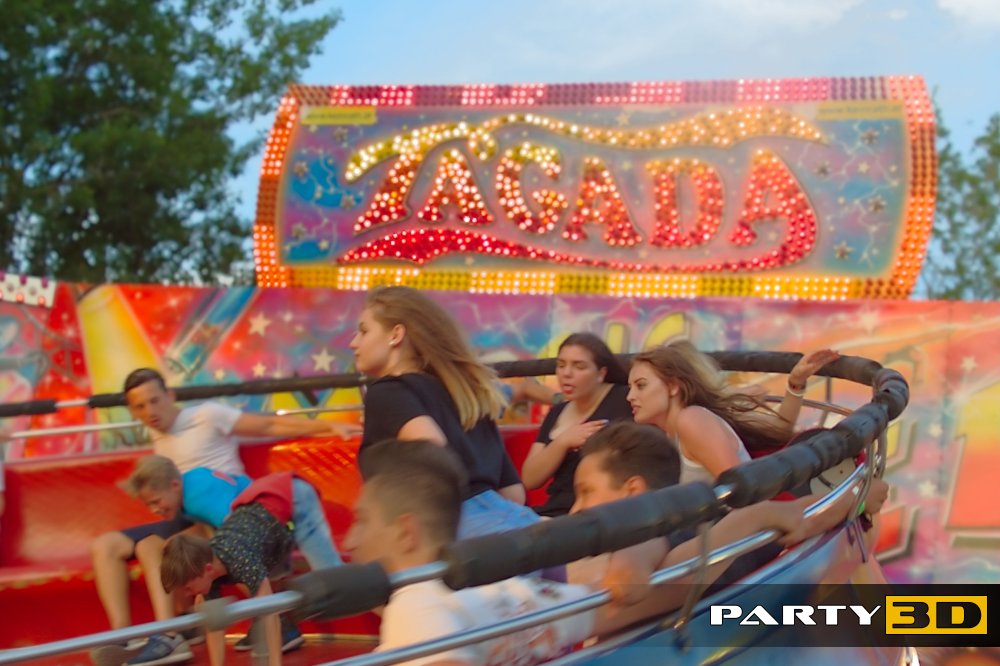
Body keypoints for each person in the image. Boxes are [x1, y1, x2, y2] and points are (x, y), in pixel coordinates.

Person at [342, 439, 813, 666]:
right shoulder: (511, 594)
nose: (349, 541)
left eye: (362, 520)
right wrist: (754, 520)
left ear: (406, 531)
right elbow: (654, 593)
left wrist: (753, 519)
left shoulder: (415, 609)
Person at [91, 367, 355, 666]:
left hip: (226, 510)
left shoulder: (206, 415)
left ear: (170, 395)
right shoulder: (157, 434)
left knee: (153, 548)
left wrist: (328, 425)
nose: (150, 411)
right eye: (140, 406)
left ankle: (171, 635)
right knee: (105, 546)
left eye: (155, 401)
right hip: (187, 512)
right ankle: (124, 638)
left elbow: (268, 425)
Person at [568, 421, 890, 604]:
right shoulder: (696, 519)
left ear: (633, 490)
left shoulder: (661, 532)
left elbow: (628, 579)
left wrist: (859, 500)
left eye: (586, 491)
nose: (576, 509)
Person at [351, 286, 539, 540]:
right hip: (515, 522)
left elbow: (431, 446)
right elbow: (513, 493)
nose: (354, 342)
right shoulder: (470, 393)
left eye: (364, 331)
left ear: (396, 334)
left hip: (453, 529)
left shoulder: (387, 392)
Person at [159, 471, 342, 666]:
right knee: (272, 576)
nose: (187, 594)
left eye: (187, 587)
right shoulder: (207, 574)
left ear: (208, 569)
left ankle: (366, 588)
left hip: (291, 495)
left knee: (335, 580)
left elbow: (270, 612)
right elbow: (215, 628)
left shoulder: (241, 560)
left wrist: (274, 664)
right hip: (261, 521)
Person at [626, 342, 838, 484]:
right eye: (630, 387)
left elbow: (741, 491)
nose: (630, 396)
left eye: (641, 385)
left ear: (673, 386)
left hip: (737, 532)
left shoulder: (692, 419)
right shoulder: (669, 436)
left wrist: (795, 384)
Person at [520, 333, 631, 517]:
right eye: (561, 365)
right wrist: (563, 442)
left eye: (579, 366)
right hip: (556, 510)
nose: (566, 373)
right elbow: (529, 478)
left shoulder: (627, 399)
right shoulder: (557, 412)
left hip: (602, 511)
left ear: (601, 373)